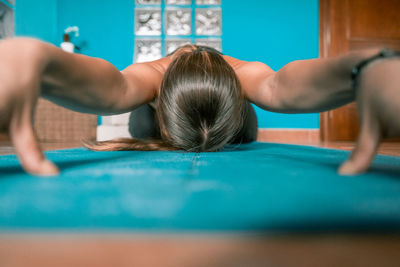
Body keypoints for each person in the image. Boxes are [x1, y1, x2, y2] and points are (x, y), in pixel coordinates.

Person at [0, 37, 399, 176]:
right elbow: (108, 88)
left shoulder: (151, 75)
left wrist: (366, 67)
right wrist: (40, 59)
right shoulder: (240, 73)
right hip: (170, 122)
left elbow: (287, 87)